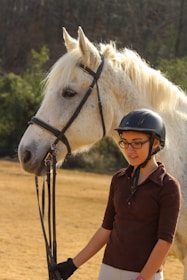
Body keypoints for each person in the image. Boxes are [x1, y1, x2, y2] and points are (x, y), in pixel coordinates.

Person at [53, 109, 181, 280]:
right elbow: (106, 229)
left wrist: (143, 278)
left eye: (137, 143)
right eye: (125, 142)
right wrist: (73, 264)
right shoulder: (119, 179)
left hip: (145, 274)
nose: (129, 150)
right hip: (109, 269)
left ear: (155, 143)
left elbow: (164, 241)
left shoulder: (168, 186)